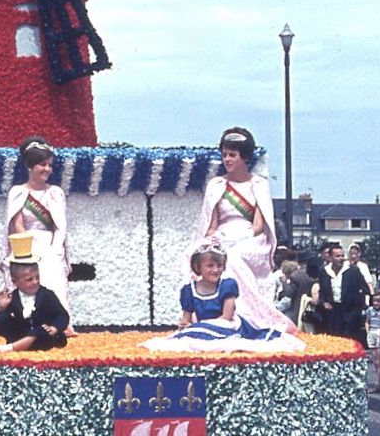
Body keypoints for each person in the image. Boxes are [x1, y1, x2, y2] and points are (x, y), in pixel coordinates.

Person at [194, 127, 295, 333]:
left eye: (232, 155)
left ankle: (245, 316)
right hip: (223, 234)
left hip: (251, 238)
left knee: (233, 256)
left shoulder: (258, 185)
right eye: (224, 155)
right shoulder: (216, 185)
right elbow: (211, 225)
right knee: (197, 253)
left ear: (245, 157)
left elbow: (259, 226)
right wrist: (209, 241)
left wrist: (237, 239)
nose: (227, 159)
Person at [143, 239, 304, 353]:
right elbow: (186, 317)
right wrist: (184, 326)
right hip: (205, 327)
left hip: (228, 325)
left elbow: (226, 318)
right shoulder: (188, 290)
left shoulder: (227, 285)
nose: (215, 270)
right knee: (184, 339)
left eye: (219, 265)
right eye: (210, 266)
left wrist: (199, 327)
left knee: (214, 337)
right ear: (197, 267)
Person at [1, 136, 74, 332]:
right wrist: (28, 251)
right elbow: (16, 223)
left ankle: (61, 325)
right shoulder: (17, 192)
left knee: (54, 276)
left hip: (51, 243)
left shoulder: (55, 192)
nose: (47, 169)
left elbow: (60, 226)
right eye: (42, 164)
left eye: (50, 165)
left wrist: (55, 248)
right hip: (27, 244)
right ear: (30, 166)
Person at [0, 238, 68, 353]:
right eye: (29, 279)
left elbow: (62, 315)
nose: (35, 282)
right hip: (20, 336)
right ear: (15, 281)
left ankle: (1, 350)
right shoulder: (13, 297)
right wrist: (1, 308)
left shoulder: (47, 295)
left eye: (37, 277)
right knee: (1, 316)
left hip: (42, 338)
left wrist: (55, 328)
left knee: (39, 330)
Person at [317, 245, 368, 342]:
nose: (341, 259)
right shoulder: (324, 271)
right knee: (333, 339)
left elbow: (363, 288)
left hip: (349, 311)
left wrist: (358, 308)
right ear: (331, 257)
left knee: (348, 339)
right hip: (332, 312)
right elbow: (322, 291)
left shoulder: (352, 270)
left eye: (342, 256)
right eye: (337, 256)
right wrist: (323, 302)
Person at [365, 292, 380, 392]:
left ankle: (378, 384)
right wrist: (368, 332)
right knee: (374, 361)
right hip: (371, 332)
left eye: (379, 301)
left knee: (379, 361)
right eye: (374, 300)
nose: (376, 303)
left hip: (379, 332)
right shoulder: (369, 310)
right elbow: (367, 321)